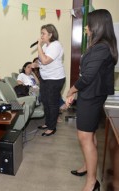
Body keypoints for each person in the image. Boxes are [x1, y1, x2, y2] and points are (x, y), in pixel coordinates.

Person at [66, 9, 118, 191]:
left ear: (97, 26)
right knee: (90, 134)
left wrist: (71, 90)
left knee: (84, 136)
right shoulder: (101, 45)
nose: (86, 28)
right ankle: (89, 166)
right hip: (91, 94)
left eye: (89, 24)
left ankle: (92, 182)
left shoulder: (101, 47)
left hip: (92, 96)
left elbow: (87, 77)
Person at [31, 24, 65, 136]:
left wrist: (39, 46)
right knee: (45, 101)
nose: (41, 36)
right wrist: (35, 64)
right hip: (45, 78)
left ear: (51, 34)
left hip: (55, 79)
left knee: (52, 103)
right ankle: (48, 123)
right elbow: (42, 62)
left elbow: (45, 60)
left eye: (43, 33)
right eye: (41, 33)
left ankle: (52, 127)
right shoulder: (45, 46)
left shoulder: (56, 45)